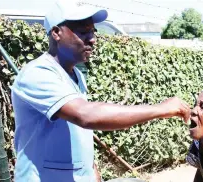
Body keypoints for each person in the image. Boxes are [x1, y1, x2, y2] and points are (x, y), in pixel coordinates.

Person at [10, 1, 190, 182]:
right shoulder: (37, 74)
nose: (92, 39)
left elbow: (78, 133)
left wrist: (92, 170)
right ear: (57, 33)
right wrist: (161, 109)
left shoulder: (75, 74)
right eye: (83, 31)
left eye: (93, 32)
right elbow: (86, 115)